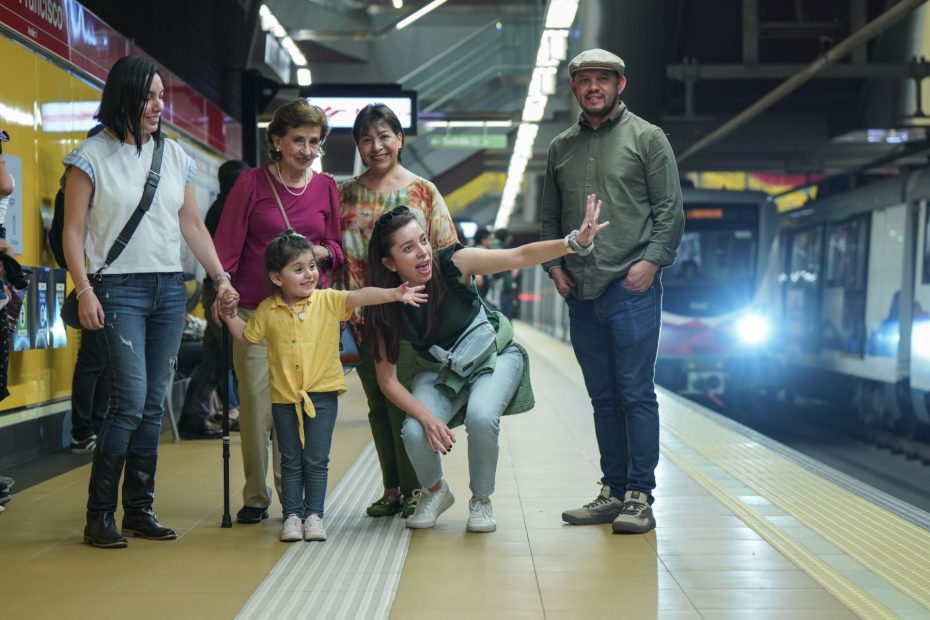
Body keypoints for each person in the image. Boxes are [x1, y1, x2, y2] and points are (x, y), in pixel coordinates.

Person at [61, 56, 238, 548]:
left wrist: (221, 278)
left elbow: (191, 225)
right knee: (130, 401)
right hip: (117, 289)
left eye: (163, 96)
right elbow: (72, 232)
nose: (160, 105)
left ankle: (139, 507)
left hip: (168, 289)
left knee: (153, 400)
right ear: (125, 96)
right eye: (151, 96)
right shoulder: (89, 156)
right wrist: (85, 290)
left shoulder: (174, 155)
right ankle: (99, 515)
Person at [364, 200, 607, 532]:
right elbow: (387, 380)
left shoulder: (454, 263)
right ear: (389, 264)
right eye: (408, 248)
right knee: (414, 430)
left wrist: (573, 243)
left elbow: (519, 256)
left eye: (423, 240)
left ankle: (481, 500)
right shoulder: (383, 306)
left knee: (481, 415)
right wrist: (426, 416)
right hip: (439, 371)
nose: (422, 252)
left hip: (495, 357)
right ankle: (435, 492)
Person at [540, 49, 684, 534]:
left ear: (621, 84)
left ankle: (640, 495)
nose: (594, 87)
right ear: (573, 88)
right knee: (602, 396)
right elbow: (549, 218)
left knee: (635, 393)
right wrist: (555, 267)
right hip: (580, 290)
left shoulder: (648, 138)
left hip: (632, 286)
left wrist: (650, 262)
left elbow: (670, 211)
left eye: (604, 79)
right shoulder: (560, 147)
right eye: (585, 80)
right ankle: (613, 490)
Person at [221, 231, 426, 542]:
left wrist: (393, 294)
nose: (309, 274)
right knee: (290, 458)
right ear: (277, 277)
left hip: (323, 394)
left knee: (316, 458)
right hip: (285, 397)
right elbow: (246, 336)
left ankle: (314, 514)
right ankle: (292, 514)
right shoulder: (267, 310)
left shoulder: (328, 300)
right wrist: (228, 316)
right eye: (298, 269)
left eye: (312, 267)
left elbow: (358, 296)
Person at [214, 99, 343, 525]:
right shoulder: (251, 183)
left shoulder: (326, 188)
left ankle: (295, 499)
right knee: (255, 406)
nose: (306, 150)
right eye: (298, 140)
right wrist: (224, 287)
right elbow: (227, 244)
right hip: (256, 309)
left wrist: (321, 252)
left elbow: (338, 248)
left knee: (297, 406)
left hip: (308, 318)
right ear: (276, 140)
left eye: (314, 142)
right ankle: (256, 495)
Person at [339, 103, 458, 518]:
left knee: (401, 401)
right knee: (376, 404)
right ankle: (392, 489)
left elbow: (445, 249)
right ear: (357, 144)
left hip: (412, 314)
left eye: (385, 136)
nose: (377, 146)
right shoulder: (346, 193)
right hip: (362, 315)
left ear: (400, 138)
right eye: (367, 139)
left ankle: (416, 489)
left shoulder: (422, 191)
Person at [177, 160, 249, 439]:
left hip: (214, 292)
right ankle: (245, 415)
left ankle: (192, 419)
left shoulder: (219, 208)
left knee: (215, 359)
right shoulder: (227, 211)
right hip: (223, 294)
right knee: (234, 357)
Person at [68, 124, 109, 454]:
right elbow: (66, 239)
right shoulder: (74, 188)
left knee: (105, 362)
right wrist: (84, 286)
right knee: (92, 361)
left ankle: (97, 423)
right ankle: (82, 430)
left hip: (107, 287)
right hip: (93, 288)